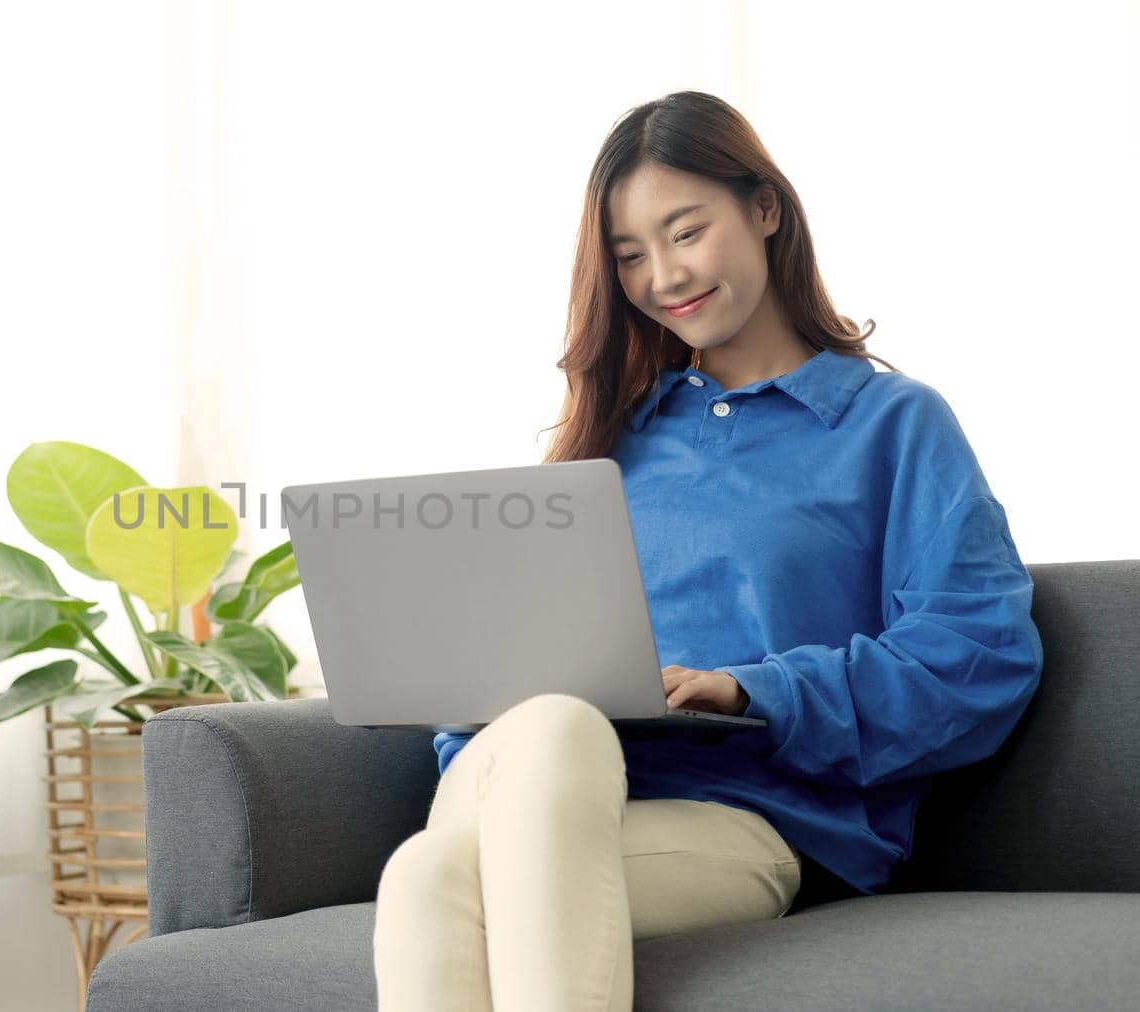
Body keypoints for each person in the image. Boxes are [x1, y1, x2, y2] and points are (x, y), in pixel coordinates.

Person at [371, 90, 1044, 1012]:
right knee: (525, 754)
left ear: (764, 209)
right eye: (630, 256)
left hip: (748, 820)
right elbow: (502, 706)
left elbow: (979, 655)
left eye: (685, 232)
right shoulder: (606, 442)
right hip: (544, 785)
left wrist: (751, 688)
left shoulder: (891, 425)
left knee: (433, 876)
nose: (663, 275)